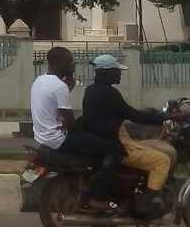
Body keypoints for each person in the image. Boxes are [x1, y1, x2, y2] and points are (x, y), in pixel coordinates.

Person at [81, 54, 175, 219]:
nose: (120, 74)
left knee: (149, 147)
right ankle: (143, 204)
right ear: (107, 72)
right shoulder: (110, 93)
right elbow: (132, 115)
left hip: (105, 139)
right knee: (162, 160)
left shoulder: (91, 90)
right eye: (117, 71)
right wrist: (166, 117)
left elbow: (124, 113)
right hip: (115, 143)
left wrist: (147, 113)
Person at [30, 47, 123, 213]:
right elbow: (71, 123)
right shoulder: (59, 86)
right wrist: (88, 132)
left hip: (43, 137)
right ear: (59, 63)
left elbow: (54, 108)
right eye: (70, 61)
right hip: (59, 139)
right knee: (113, 149)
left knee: (94, 144)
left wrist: (69, 85)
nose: (73, 65)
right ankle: (97, 197)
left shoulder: (39, 81)